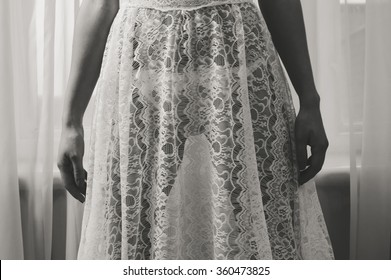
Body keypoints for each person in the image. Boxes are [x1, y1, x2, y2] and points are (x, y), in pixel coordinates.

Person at [57, 0, 334, 259]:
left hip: (237, 59)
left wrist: (310, 100)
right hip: (145, 63)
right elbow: (100, 3)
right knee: (126, 241)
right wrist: (70, 122)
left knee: (272, 231)